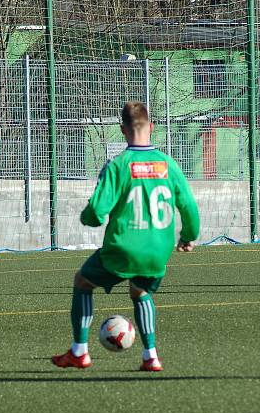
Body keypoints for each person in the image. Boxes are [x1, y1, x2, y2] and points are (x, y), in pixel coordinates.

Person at [51, 101, 200, 372]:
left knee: (83, 281)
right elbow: (189, 206)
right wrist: (188, 236)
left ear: (122, 130)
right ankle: (151, 356)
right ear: (151, 128)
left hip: (123, 248)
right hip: (158, 250)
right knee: (140, 290)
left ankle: (79, 351)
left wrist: (88, 218)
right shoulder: (168, 164)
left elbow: (96, 212)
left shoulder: (118, 165)